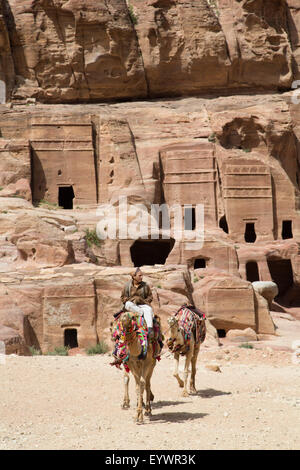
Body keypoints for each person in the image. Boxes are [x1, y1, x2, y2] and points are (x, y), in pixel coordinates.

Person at [121, 268, 154, 336]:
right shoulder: (127, 286)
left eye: (142, 275)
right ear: (134, 276)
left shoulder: (145, 285)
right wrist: (132, 299)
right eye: (139, 275)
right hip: (132, 306)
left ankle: (150, 329)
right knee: (127, 304)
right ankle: (141, 313)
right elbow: (122, 298)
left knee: (149, 309)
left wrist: (141, 300)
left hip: (143, 305)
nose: (141, 277)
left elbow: (150, 297)